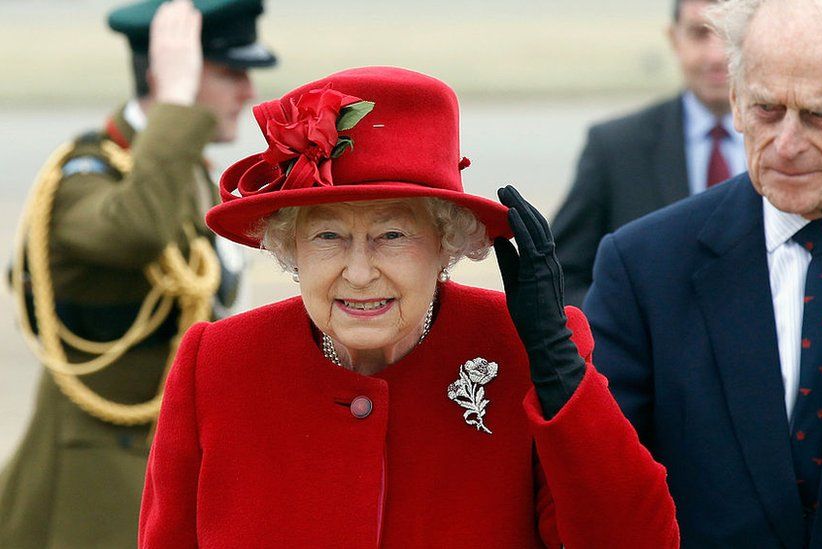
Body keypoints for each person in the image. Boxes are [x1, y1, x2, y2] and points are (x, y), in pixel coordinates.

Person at [137, 66, 680, 547]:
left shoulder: (521, 352)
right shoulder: (217, 363)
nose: (358, 272)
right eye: (327, 236)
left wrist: (559, 374)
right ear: (289, 247)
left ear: (447, 243)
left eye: (391, 234)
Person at [585, 0, 822, 546]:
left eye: (819, 115)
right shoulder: (644, 267)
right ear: (738, 104)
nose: (787, 146)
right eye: (767, 111)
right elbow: (603, 495)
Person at [0, 1, 275, 546]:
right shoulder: (84, 175)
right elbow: (137, 231)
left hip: (164, 463)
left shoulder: (182, 171)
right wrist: (175, 101)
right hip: (92, 491)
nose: (247, 91)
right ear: (168, 74)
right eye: (228, 73)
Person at [551, 0, 746, 306]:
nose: (716, 55)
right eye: (699, 33)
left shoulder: (792, 147)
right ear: (674, 39)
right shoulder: (615, 149)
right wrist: (624, 331)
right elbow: (558, 279)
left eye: (731, 36)